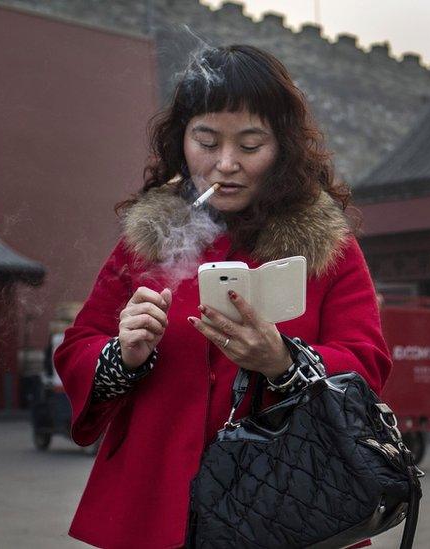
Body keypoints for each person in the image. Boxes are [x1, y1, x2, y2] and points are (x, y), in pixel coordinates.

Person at [54, 45, 391, 549]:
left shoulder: (328, 247)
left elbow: (367, 364)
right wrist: (121, 355)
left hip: (286, 500)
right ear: (181, 141)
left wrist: (283, 360)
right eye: (206, 141)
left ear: (283, 148)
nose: (225, 164)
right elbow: (78, 346)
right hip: (156, 498)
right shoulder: (148, 239)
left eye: (251, 145)